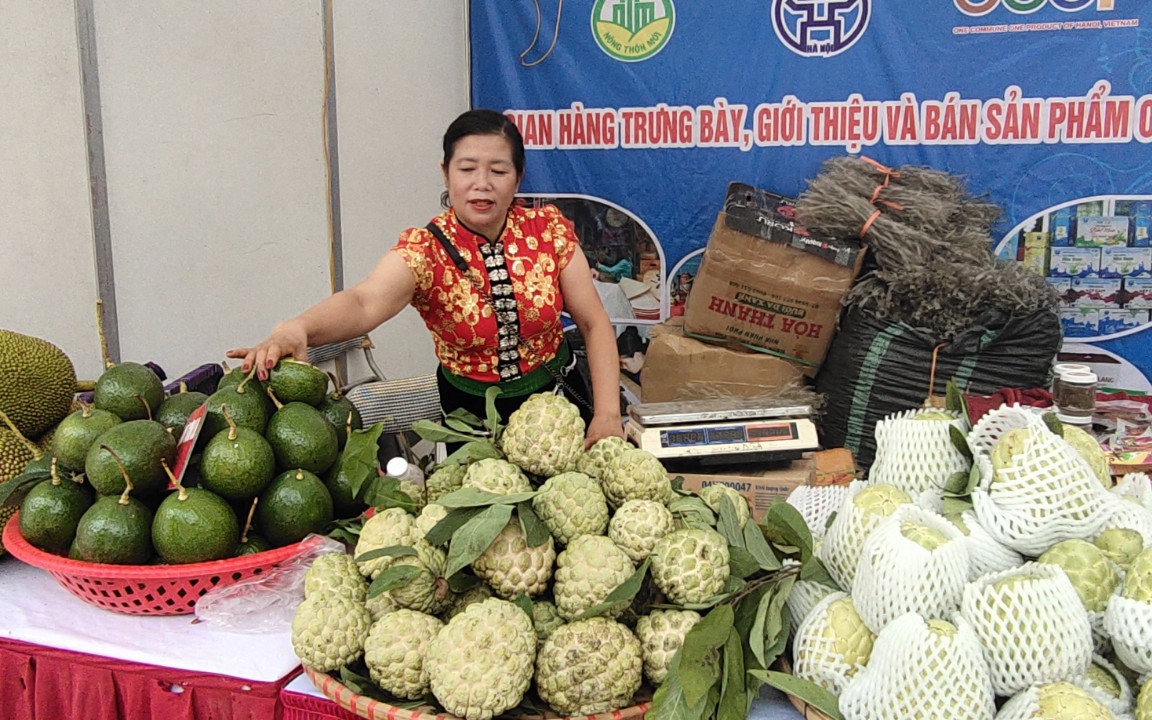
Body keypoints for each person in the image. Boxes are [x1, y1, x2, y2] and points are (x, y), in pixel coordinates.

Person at [228, 109, 625, 448]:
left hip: (559, 410)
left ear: (518, 178)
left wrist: (607, 413)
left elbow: (592, 322)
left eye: (498, 170)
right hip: (472, 428)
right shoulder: (426, 251)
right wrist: (300, 327)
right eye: (467, 168)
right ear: (446, 173)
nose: (481, 183)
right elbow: (365, 301)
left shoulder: (547, 230)